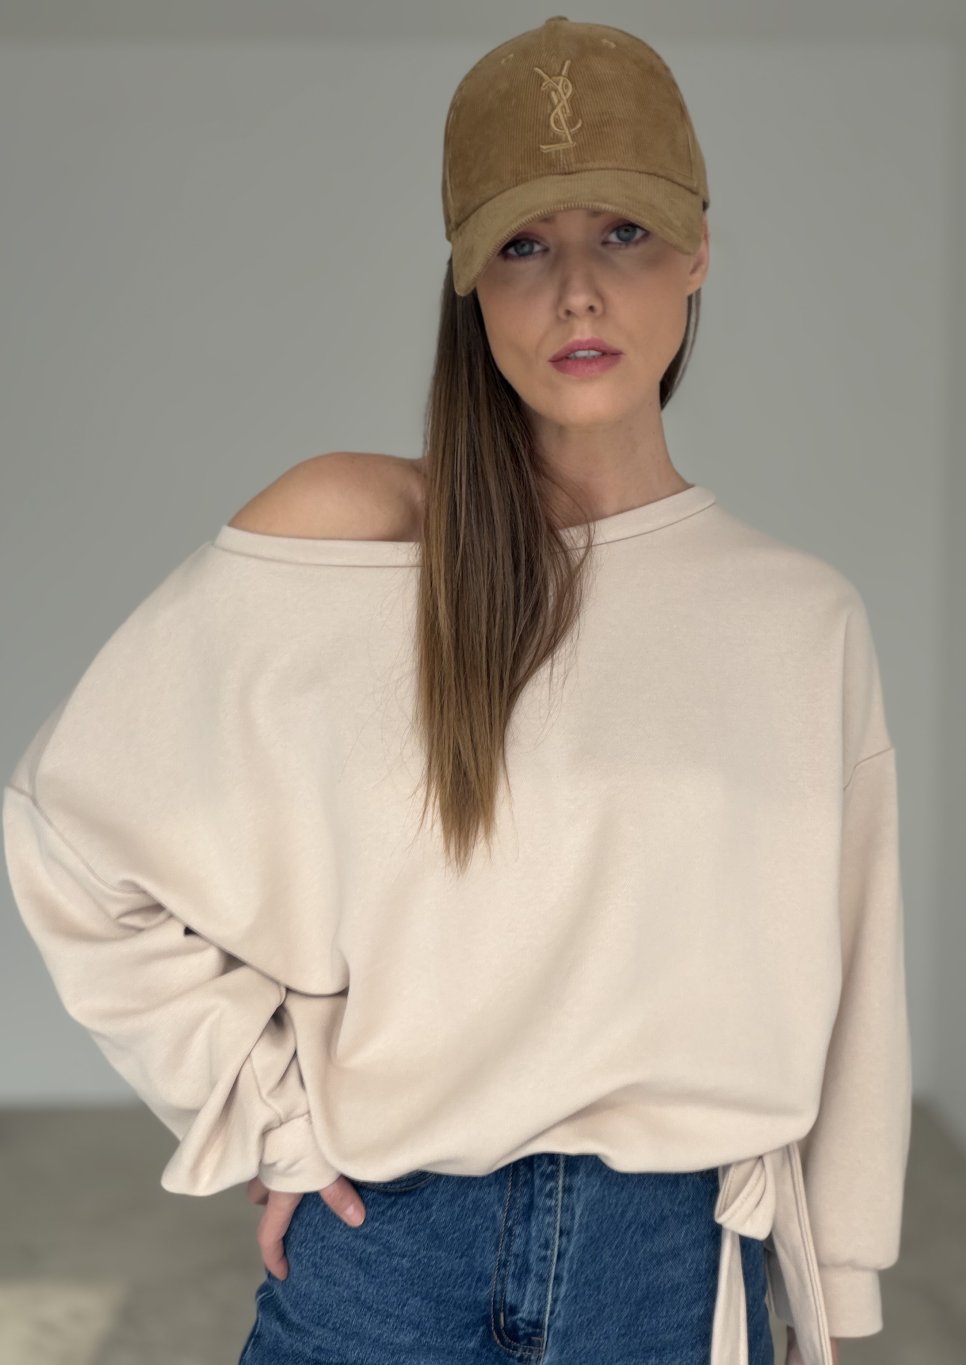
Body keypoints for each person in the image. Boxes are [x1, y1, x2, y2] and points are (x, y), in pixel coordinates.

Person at [1, 17, 911, 1365]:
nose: (579, 295)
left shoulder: (799, 623)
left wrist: (834, 1285)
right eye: (525, 246)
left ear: (700, 250)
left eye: (625, 234)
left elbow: (855, 1002)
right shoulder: (351, 539)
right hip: (388, 1257)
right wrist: (273, 1118)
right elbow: (69, 829)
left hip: (666, 1276)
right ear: (468, 281)